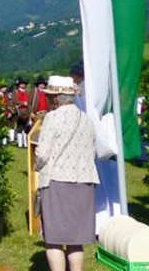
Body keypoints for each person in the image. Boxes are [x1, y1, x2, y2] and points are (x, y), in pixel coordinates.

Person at [34, 76, 98, 271]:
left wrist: (37, 163)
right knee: (75, 238)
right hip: (84, 182)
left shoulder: (52, 118)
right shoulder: (86, 119)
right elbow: (93, 150)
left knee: (54, 238)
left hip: (57, 182)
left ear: (55, 98)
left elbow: (43, 153)